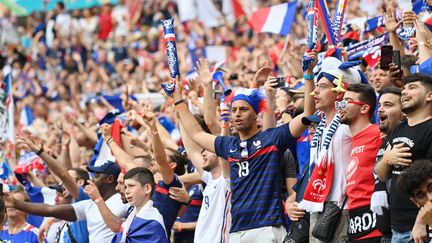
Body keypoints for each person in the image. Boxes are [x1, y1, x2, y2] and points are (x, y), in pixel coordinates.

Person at [174, 52, 316, 242]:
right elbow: (196, 135)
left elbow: (308, 113)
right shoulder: (228, 145)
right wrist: (178, 99)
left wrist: (308, 74)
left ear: (256, 115)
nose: (237, 114)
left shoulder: (272, 138)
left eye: (243, 109)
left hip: (267, 228)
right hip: (237, 231)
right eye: (234, 110)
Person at [296, 55, 366, 243]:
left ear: (339, 92)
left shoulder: (348, 125)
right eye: (316, 87)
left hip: (342, 207)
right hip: (318, 204)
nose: (314, 92)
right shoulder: (319, 130)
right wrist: (308, 74)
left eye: (323, 87)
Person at [3, 161, 130, 242]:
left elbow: (116, 226)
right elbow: (49, 209)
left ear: (109, 179)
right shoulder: (89, 204)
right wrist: (15, 203)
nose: (92, 180)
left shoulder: (123, 201)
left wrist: (40, 152)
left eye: (97, 176)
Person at [375, 73, 432, 242]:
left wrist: (422, 221)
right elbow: (381, 174)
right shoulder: (400, 129)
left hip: (421, 228)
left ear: (430, 95)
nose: (404, 92)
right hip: (397, 227)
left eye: (412, 88)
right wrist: (387, 159)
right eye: (404, 89)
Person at [338, 83, 383, 242]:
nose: (340, 107)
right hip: (355, 225)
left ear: (364, 109)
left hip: (375, 226)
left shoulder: (378, 134)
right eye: (340, 102)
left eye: (346, 102)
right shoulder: (350, 141)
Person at [371, 86, 404, 242]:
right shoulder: (385, 143)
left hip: (408, 231)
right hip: (386, 234)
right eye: (380, 105)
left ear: (404, 112)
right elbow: (380, 174)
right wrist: (386, 159)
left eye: (388, 105)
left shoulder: (405, 142)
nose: (380, 110)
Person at [111, 167, 168, 243]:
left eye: (131, 186)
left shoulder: (153, 223)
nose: (126, 191)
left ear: (147, 188)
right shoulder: (130, 219)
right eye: (125, 187)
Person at [397, 160, 432, 242]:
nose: (430, 197)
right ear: (415, 202)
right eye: (421, 195)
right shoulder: (419, 234)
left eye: (431, 188)